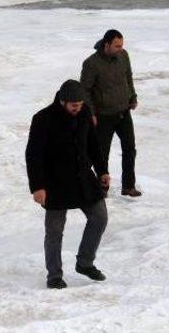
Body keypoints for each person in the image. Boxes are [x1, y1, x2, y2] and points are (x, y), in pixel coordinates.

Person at [25, 80, 110, 289]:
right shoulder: (43, 119)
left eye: (80, 104)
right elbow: (33, 155)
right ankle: (54, 275)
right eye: (74, 105)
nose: (77, 108)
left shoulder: (84, 113)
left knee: (99, 217)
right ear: (62, 101)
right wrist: (38, 187)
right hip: (55, 183)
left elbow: (92, 144)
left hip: (83, 178)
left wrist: (102, 170)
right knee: (54, 231)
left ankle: (85, 262)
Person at [80, 29, 141, 197]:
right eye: (117, 46)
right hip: (103, 115)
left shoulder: (123, 56)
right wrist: (91, 113)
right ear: (106, 45)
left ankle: (128, 186)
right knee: (101, 154)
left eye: (122, 45)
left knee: (130, 149)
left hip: (123, 111)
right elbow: (84, 91)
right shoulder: (91, 64)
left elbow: (128, 77)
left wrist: (132, 95)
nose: (120, 48)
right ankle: (102, 188)